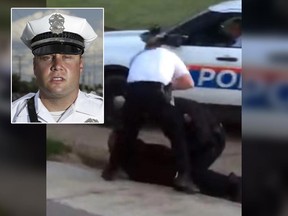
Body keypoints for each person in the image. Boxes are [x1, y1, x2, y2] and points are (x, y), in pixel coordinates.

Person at [102, 31, 199, 194]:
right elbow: (188, 83)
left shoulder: (138, 56)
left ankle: (111, 170)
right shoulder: (170, 55)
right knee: (177, 134)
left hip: (132, 93)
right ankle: (183, 176)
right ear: (164, 46)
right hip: (156, 93)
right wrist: (169, 86)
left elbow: (134, 77)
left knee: (127, 133)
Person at [106, 98, 242, 202]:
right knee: (191, 174)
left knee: (193, 174)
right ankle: (233, 186)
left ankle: (235, 187)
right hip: (208, 135)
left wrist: (183, 169)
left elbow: (191, 141)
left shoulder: (167, 114)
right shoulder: (162, 102)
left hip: (209, 140)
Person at [11, 12, 104, 123]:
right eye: (47, 57)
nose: (57, 66)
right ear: (35, 66)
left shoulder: (103, 112)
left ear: (80, 64)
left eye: (67, 57)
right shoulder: (13, 114)